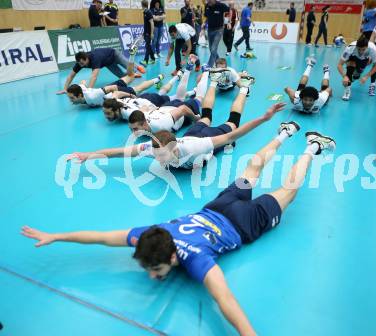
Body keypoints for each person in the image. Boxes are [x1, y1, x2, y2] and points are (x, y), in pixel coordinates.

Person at [23, 127, 336, 335]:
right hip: (218, 206)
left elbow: (224, 299)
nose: (150, 274)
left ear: (174, 256)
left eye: (155, 268)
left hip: (242, 222)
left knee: (287, 191)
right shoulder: (149, 235)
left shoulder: (195, 258)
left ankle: (311, 147)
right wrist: (57, 236)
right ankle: (284, 134)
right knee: (252, 168)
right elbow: (102, 238)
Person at [68, 75, 259, 170]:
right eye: (157, 155)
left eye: (161, 156)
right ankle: (214, 81)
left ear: (174, 149)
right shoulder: (154, 148)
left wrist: (263, 118)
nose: (158, 160)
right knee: (207, 116)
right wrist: (87, 155)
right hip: (189, 132)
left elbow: (232, 135)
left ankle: (244, 88)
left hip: (201, 139)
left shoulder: (196, 148)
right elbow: (119, 153)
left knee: (233, 122)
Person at [102, 55, 206, 135]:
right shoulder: (138, 117)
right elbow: (143, 109)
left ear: (144, 124)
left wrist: (195, 119)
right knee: (178, 97)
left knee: (198, 99)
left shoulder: (160, 125)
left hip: (173, 112)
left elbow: (183, 109)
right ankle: (188, 72)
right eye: (131, 129)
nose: (132, 133)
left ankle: (205, 73)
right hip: (164, 107)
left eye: (134, 129)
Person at [57, 43, 146, 94]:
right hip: (108, 63)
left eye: (82, 63)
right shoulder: (80, 63)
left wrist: (89, 91)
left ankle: (137, 67)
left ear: (87, 58)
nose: (81, 65)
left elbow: (94, 76)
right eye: (79, 64)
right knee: (123, 76)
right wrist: (65, 88)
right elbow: (71, 76)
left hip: (114, 54)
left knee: (128, 66)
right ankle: (134, 74)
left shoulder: (95, 58)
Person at [337, 35, 376, 100]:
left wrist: (366, 76)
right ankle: (347, 91)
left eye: (363, 49)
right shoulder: (350, 48)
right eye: (359, 49)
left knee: (356, 76)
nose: (361, 51)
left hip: (364, 60)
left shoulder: (373, 49)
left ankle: (353, 78)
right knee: (351, 65)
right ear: (356, 46)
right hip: (353, 58)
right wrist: (344, 76)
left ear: (367, 47)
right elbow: (339, 64)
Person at [204, 0, 230, 67]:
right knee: (211, 49)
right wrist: (204, 24)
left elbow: (229, 11)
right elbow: (207, 16)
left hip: (219, 30)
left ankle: (209, 66)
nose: (208, 1)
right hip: (210, 30)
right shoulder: (207, 6)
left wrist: (228, 22)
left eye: (210, 0)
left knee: (213, 49)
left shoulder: (221, 5)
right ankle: (220, 63)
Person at [141, 0, 156, 66]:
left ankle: (145, 60)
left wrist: (152, 33)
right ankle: (153, 59)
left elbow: (152, 23)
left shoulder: (148, 12)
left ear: (142, 5)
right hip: (146, 32)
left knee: (147, 45)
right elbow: (146, 24)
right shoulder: (145, 12)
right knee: (148, 46)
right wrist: (144, 32)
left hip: (149, 33)